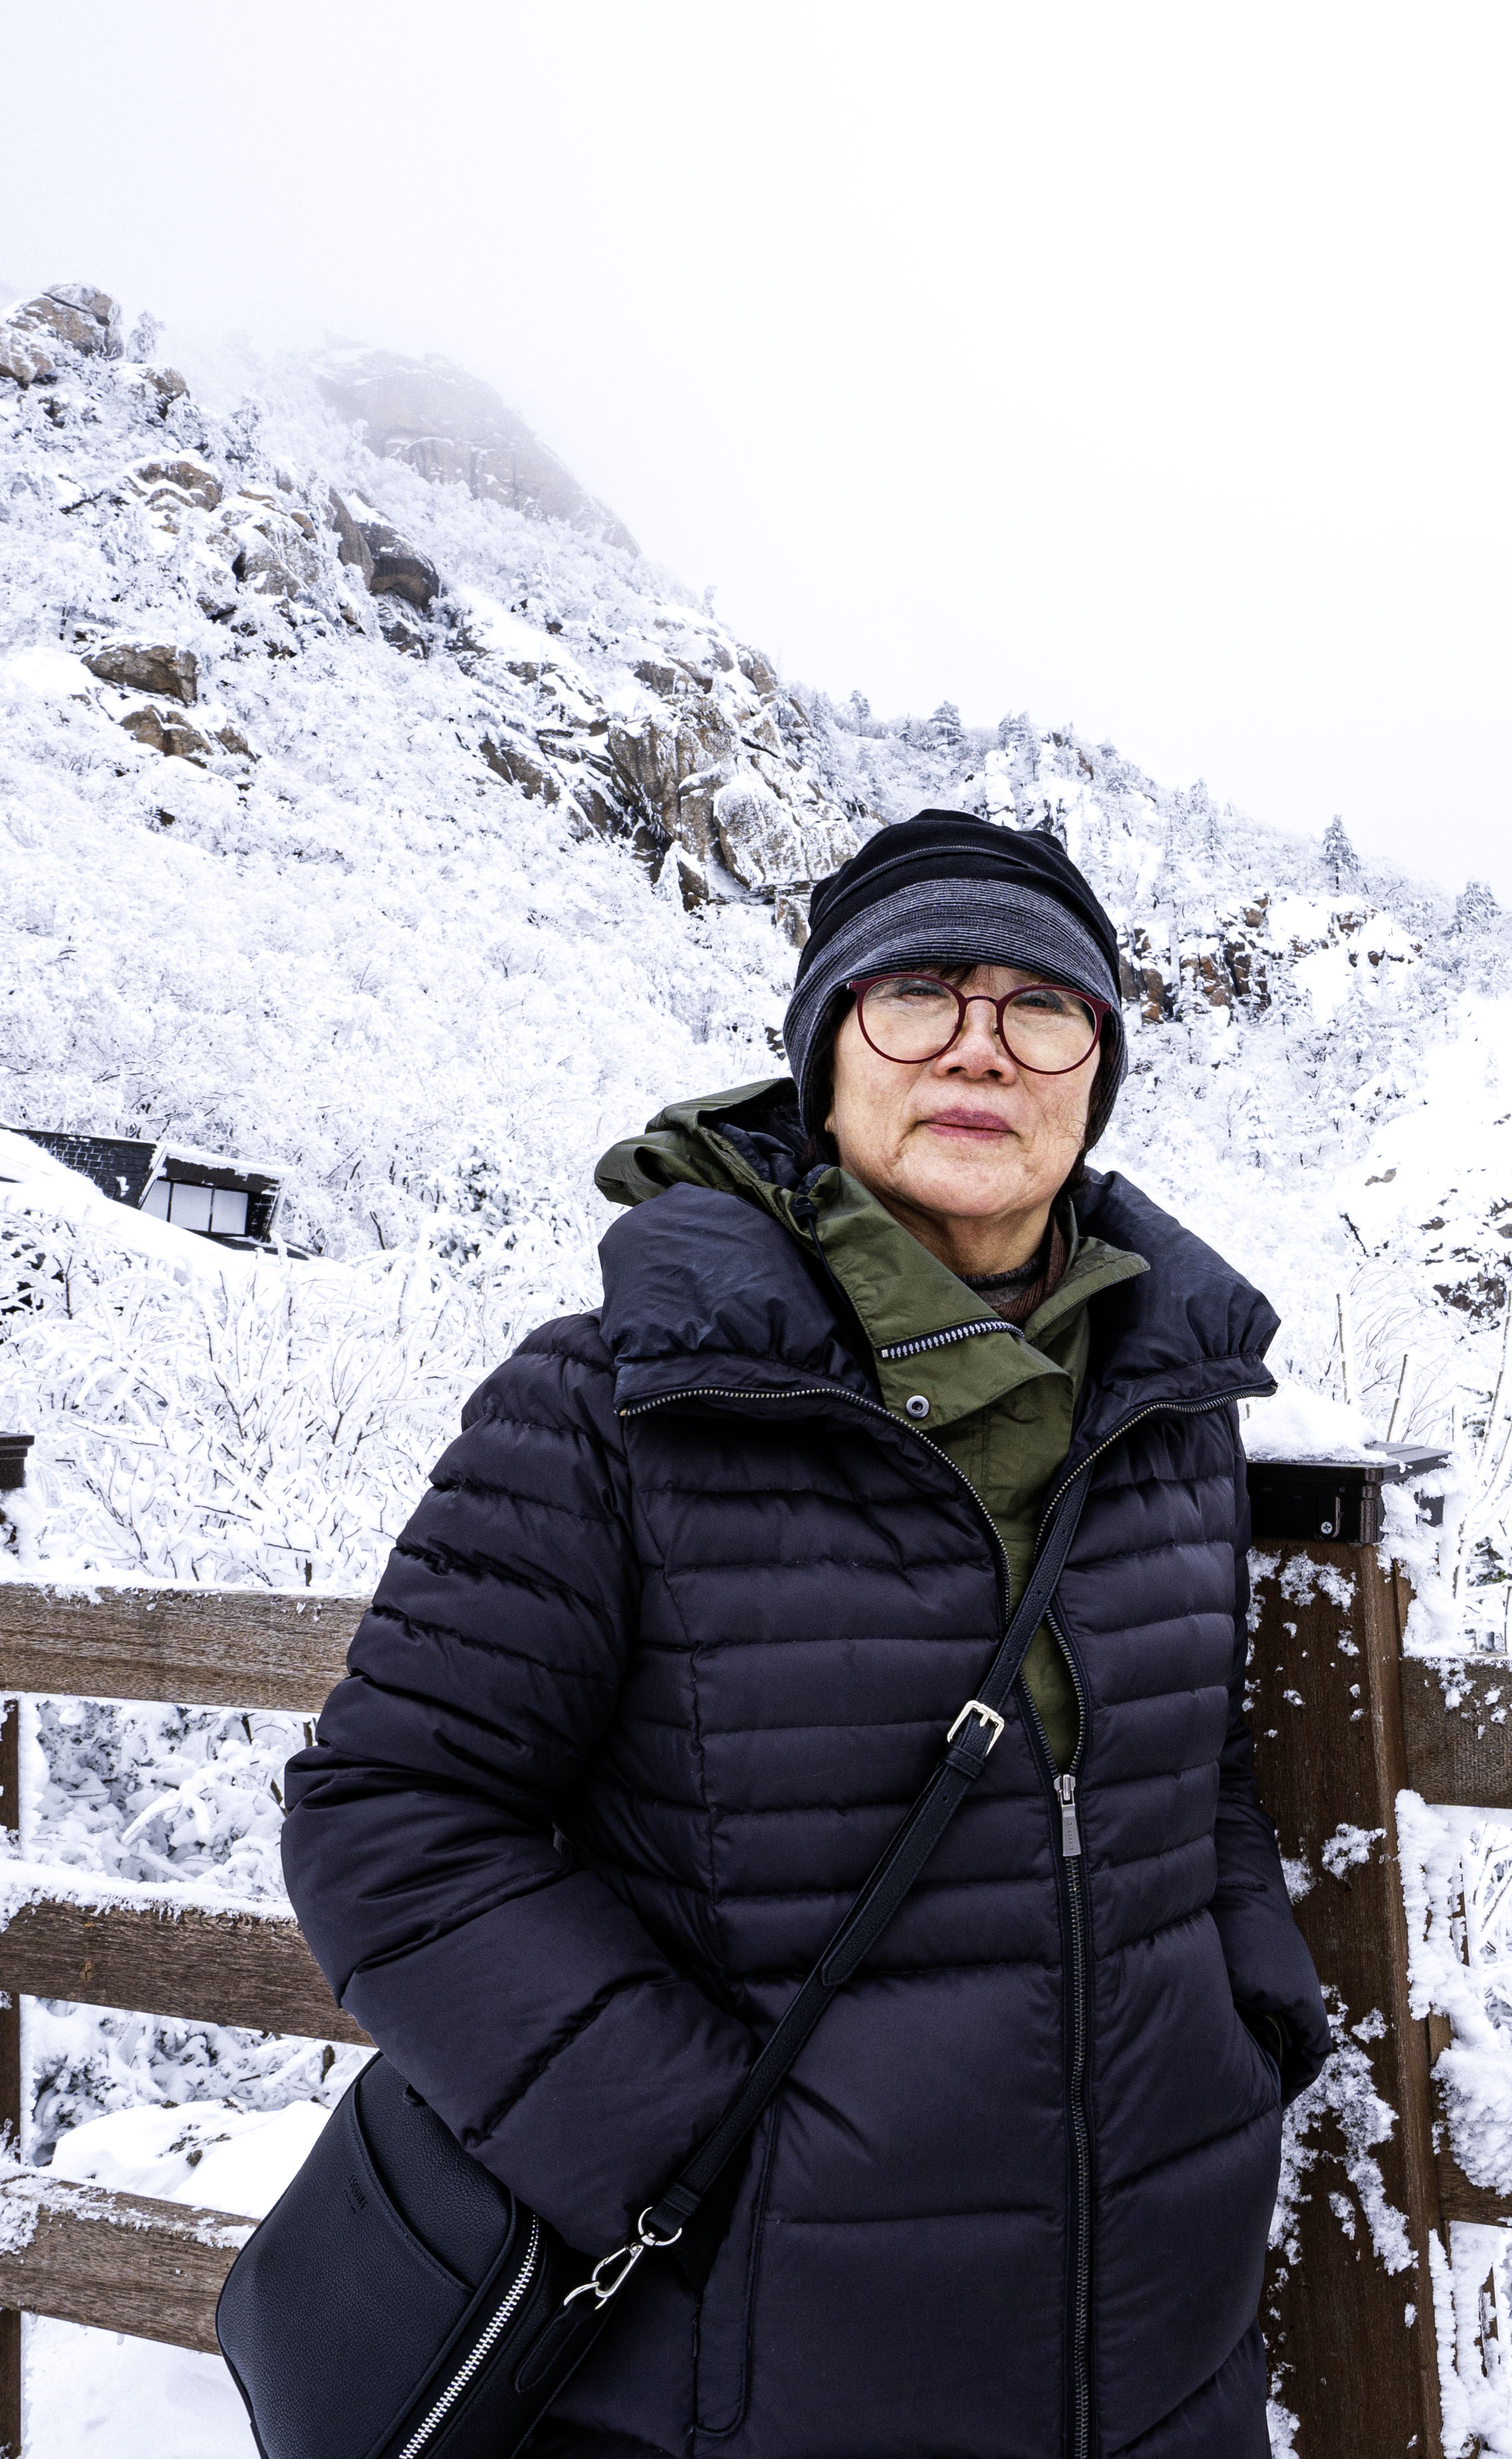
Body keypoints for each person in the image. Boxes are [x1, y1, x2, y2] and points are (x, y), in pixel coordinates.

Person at [283, 808, 1333, 2459]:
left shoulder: (1167, 1405)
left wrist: (1244, 2021)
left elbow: (1190, 1764)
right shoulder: (617, 1401)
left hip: (1155, 2343)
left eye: (1041, 1005)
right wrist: (695, 2148)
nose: (980, 1046)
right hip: (758, 2366)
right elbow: (389, 1815)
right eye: (916, 995)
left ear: (1097, 1072)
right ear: (825, 1055)